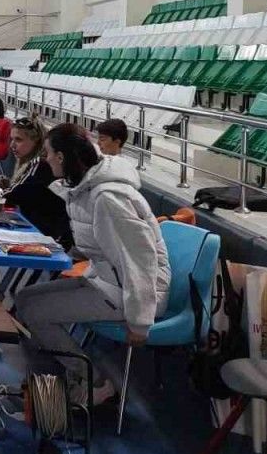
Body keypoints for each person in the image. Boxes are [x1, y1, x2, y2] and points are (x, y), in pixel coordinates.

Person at [13, 123, 171, 407]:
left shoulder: (109, 199)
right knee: (23, 299)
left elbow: (140, 260)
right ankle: (65, 379)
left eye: (48, 153)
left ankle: (94, 382)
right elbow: (98, 241)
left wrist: (140, 320)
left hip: (133, 294)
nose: (45, 159)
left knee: (35, 313)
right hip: (106, 279)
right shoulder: (83, 186)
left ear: (61, 157)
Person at [0, 116, 72, 249]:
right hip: (43, 229)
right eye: (11, 139)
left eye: (18, 140)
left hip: (47, 235)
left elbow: (10, 198)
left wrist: (5, 190)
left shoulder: (40, 164)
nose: (12, 145)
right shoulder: (31, 163)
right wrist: (9, 186)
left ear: (36, 141)